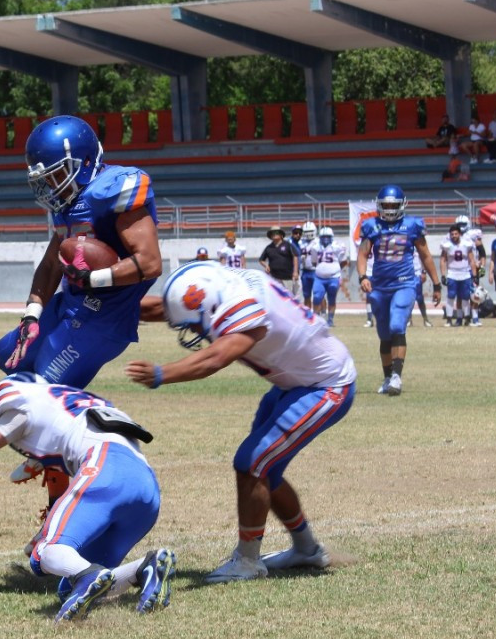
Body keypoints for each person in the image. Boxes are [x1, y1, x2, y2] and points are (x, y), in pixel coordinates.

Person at [124, 261, 356, 583]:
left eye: (194, 326)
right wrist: (104, 306)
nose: (193, 332)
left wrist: (162, 374)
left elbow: (214, 358)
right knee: (264, 471)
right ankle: (307, 550)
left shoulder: (249, 314)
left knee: (252, 464)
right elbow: (165, 308)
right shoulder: (228, 289)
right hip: (295, 383)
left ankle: (248, 561)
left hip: (326, 386)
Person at [0, 373, 175, 621]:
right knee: (70, 585)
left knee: (46, 551)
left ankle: (87, 574)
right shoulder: (76, 401)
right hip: (146, 488)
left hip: (105, 467)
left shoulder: (23, 400)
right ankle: (145, 568)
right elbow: (61, 485)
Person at [0, 115, 162, 389]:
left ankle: (100, 426)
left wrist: (93, 278)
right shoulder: (68, 204)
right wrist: (32, 314)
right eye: (44, 178)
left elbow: (150, 263)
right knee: (5, 354)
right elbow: (50, 265)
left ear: (84, 163)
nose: (50, 185)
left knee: (46, 389)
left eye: (55, 174)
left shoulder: (112, 189)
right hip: (71, 303)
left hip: (103, 316)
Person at [356, 185, 442, 396]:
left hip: (404, 282)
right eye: (386, 205)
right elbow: (363, 254)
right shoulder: (371, 225)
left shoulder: (412, 225)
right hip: (379, 286)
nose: (390, 209)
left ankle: (396, 376)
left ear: (402, 205)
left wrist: (437, 283)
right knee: (384, 334)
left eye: (394, 205)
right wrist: (362, 276)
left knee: (397, 325)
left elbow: (426, 255)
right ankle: (387, 378)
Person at [306, 227, 349, 326]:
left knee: (331, 299)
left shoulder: (337, 246)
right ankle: (315, 319)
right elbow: (314, 262)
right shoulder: (315, 247)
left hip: (334, 277)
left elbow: (343, 261)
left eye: (327, 237)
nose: (325, 239)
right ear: (319, 237)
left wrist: (335, 270)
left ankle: (330, 320)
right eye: (323, 237)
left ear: (332, 237)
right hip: (319, 277)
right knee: (317, 297)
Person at [440, 225, 479, 327]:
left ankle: (466, 318)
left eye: (456, 233)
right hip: (452, 273)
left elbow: (471, 260)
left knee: (465, 297)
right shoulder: (447, 245)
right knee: (451, 296)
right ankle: (449, 319)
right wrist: (443, 275)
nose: (454, 236)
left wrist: (474, 275)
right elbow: (443, 260)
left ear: (460, 234)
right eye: (452, 234)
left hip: (465, 273)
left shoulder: (466, 244)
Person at [259, 225, 297, 294]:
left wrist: (295, 272)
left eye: (276, 232)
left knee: (289, 297)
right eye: (272, 233)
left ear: (281, 234)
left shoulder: (288, 245)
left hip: (287, 277)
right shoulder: (269, 247)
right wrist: (266, 265)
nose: (274, 234)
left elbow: (295, 257)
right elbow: (261, 260)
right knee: (276, 297)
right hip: (274, 278)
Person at [412, 251, 434, 327]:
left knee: (419, 298)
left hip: (417, 273)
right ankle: (408, 320)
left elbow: (423, 256)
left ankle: (425, 319)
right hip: (405, 274)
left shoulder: (416, 242)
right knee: (407, 298)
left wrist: (424, 271)